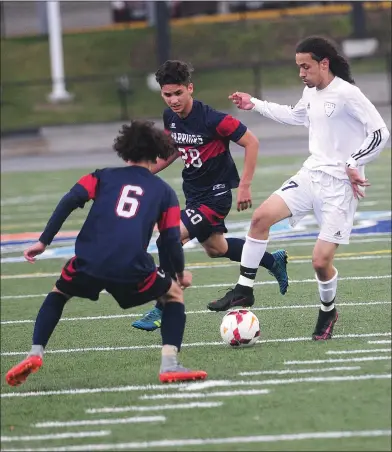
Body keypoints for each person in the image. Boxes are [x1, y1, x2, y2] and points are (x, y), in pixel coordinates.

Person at [208, 36, 390, 340]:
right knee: (260, 219)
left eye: (306, 66)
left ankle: (328, 309)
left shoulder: (348, 94)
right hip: (311, 175)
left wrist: (353, 162)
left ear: (324, 63)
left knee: (320, 262)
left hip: (339, 188)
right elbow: (295, 115)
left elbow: (380, 133)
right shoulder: (311, 92)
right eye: (298, 67)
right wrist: (254, 103)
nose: (301, 73)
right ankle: (243, 290)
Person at [5, 120, 207, 387]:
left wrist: (44, 241)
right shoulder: (164, 192)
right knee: (173, 294)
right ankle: (170, 364)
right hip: (131, 265)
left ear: (124, 151)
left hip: (89, 259)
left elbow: (68, 201)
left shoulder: (100, 176)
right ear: (158, 152)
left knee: (58, 293)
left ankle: (35, 352)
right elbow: (170, 239)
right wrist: (179, 273)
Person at [132, 60, 289, 332]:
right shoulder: (170, 117)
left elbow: (251, 141)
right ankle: (271, 260)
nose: (173, 100)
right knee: (216, 248)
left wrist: (245, 186)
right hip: (194, 195)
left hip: (215, 197)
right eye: (167, 95)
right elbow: (172, 150)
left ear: (190, 88)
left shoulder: (213, 119)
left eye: (178, 93)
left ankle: (163, 306)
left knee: (169, 237)